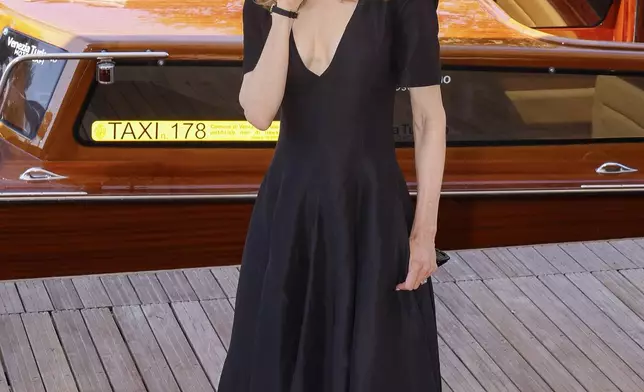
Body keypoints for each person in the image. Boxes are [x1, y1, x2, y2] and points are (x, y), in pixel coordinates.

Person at [218, 0, 446, 388]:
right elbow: (258, 114)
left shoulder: (401, 6)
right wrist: (284, 13)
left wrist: (424, 234)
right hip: (290, 209)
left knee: (375, 357)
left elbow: (429, 119)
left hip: (370, 210)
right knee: (281, 351)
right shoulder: (264, 5)